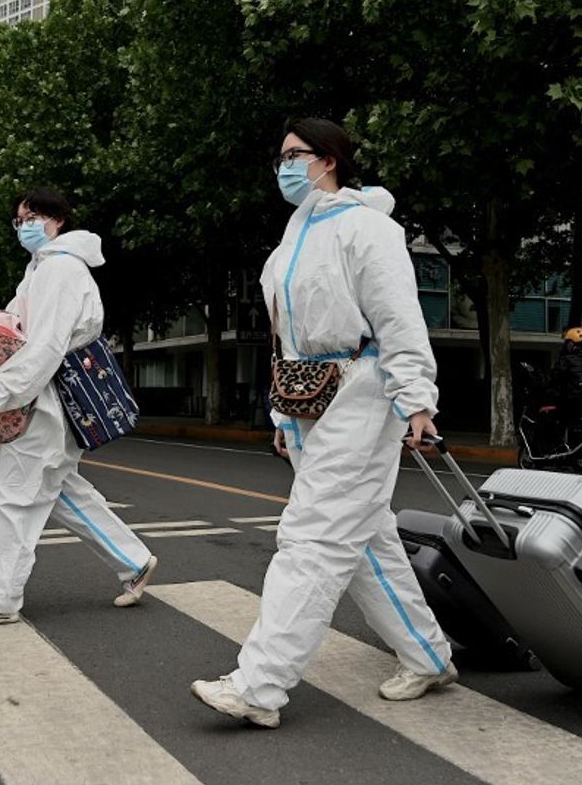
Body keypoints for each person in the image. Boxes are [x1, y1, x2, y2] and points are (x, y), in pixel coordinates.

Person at [191, 118, 454, 729]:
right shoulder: (288, 244)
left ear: (328, 159)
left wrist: (417, 398)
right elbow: (285, 340)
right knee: (365, 543)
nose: (283, 166)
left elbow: (399, 320)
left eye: (294, 155)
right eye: (280, 155)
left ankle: (260, 685)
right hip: (309, 400)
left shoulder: (368, 229)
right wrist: (281, 413)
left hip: (364, 389)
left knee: (311, 537)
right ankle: (430, 654)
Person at [0, 189, 158, 627]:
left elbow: (45, 345)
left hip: (52, 399)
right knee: (58, 487)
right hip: (56, 396)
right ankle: (133, 560)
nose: (24, 225)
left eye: (34, 216)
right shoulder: (42, 268)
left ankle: (1, 602)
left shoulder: (59, 268)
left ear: (58, 220)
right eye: (19, 219)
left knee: (12, 493)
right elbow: (27, 328)